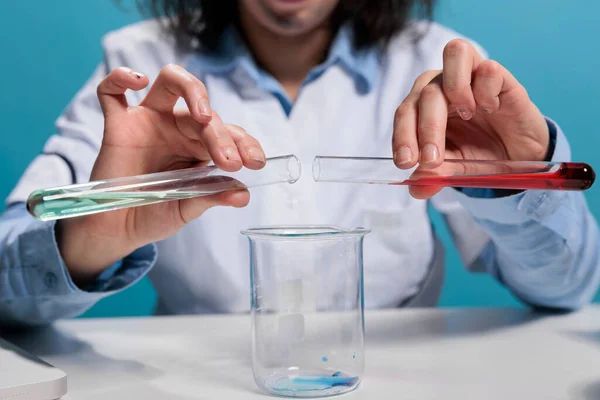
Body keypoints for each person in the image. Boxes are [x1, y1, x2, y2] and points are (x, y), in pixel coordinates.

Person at [1, 0, 598, 326]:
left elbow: (568, 292)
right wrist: (90, 236)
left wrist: (524, 177)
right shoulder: (140, 64)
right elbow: (6, 287)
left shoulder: (435, 67)